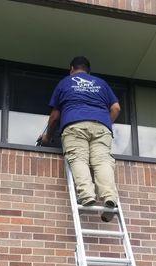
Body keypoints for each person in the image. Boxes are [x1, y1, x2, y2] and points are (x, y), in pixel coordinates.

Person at [40, 56, 121, 222]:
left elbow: (55, 115)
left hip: (75, 125)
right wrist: (105, 123)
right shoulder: (101, 83)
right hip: (101, 127)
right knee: (102, 161)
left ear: (71, 69)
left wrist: (47, 137)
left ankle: (87, 195)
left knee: (79, 159)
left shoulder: (65, 82)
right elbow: (116, 108)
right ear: (88, 71)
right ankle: (109, 197)